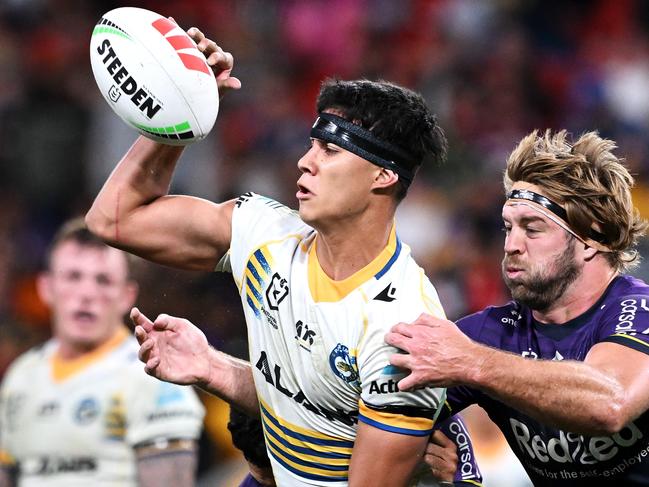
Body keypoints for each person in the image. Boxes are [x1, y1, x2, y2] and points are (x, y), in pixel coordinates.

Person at [86, 21, 455, 485]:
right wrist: (181, 108)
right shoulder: (264, 232)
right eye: (310, 144)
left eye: (330, 150)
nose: (306, 161)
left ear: (383, 176)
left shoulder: (404, 330)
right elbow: (114, 219)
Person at [385, 129, 649, 486]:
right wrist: (444, 440)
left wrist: (472, 363)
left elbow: (610, 403)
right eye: (508, 227)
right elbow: (385, 402)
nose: (510, 244)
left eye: (532, 229)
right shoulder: (491, 333)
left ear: (592, 238)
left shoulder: (638, 309)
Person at [0, 218, 205, 487]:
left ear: (127, 295)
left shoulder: (154, 375)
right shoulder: (21, 376)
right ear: (46, 288)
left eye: (103, 280)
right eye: (73, 277)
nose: (86, 293)